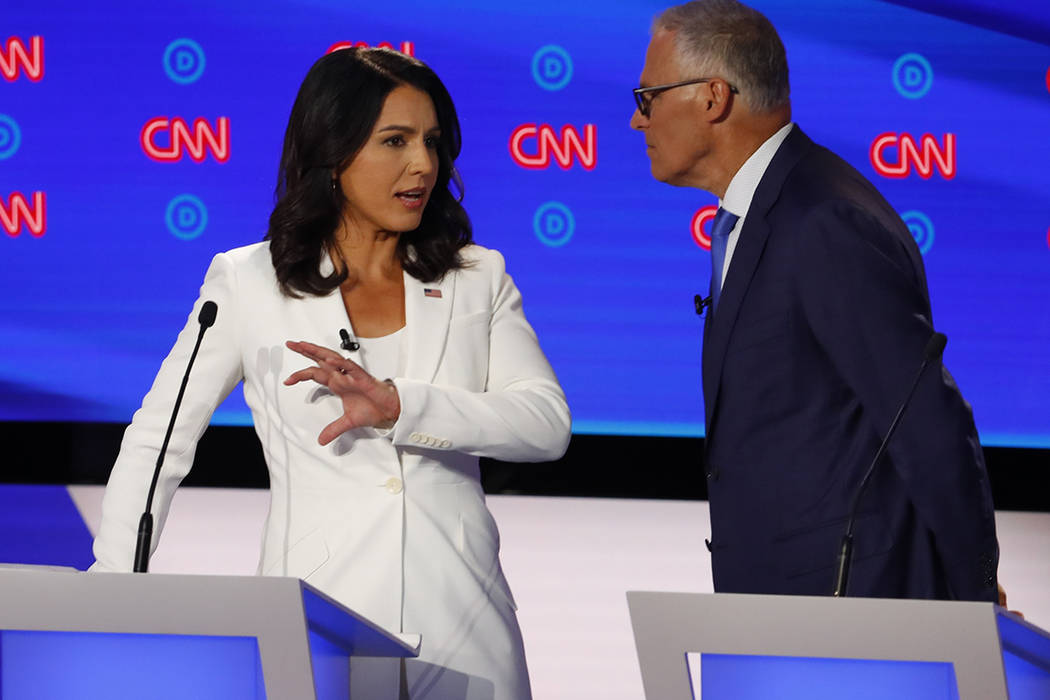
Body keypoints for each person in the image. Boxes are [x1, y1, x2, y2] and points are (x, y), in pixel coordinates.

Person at [91, 47, 570, 699]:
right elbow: (159, 439)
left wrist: (401, 406)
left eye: (432, 142)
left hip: (465, 626)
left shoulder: (475, 276)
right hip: (316, 628)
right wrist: (113, 592)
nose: (423, 165)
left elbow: (545, 426)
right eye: (394, 141)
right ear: (332, 153)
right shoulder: (248, 283)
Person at [630, 0, 998, 600]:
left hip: (848, 612)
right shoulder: (765, 213)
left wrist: (976, 594)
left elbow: (929, 422)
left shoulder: (823, 220)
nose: (637, 122)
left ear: (712, 97)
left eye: (648, 98)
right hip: (777, 602)